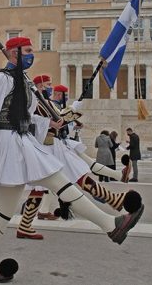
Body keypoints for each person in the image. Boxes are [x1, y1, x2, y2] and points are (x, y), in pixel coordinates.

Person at [0, 37, 144, 282]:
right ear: (13, 54)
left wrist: (48, 123)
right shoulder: (0, 79)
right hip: (9, 144)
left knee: (5, 211)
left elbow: (27, 118)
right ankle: (110, 225)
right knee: (60, 183)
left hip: (21, 141)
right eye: (28, 51)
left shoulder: (24, 83)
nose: (33, 55)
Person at [16, 82, 139, 240]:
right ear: (39, 85)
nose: (49, 87)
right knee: (75, 175)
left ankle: (25, 225)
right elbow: (37, 121)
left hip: (53, 146)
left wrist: (69, 115)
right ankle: (112, 199)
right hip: (47, 146)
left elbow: (57, 120)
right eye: (47, 84)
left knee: (45, 186)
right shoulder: (37, 101)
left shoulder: (44, 102)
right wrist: (62, 117)